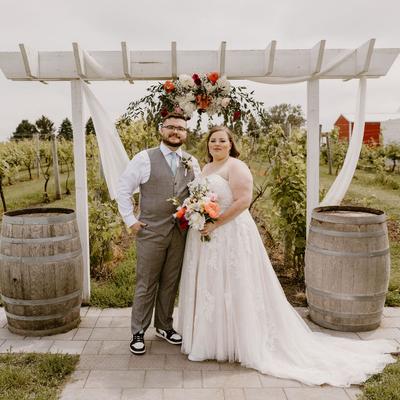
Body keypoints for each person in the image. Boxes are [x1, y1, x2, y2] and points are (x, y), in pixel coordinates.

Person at [178, 125, 398, 386]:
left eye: (222, 140)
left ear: (230, 144)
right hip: (209, 237)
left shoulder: (236, 166)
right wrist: (198, 215)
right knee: (214, 287)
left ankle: (242, 340)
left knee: (236, 286)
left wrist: (216, 222)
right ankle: (213, 338)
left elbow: (243, 201)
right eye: (213, 140)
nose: (217, 144)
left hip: (231, 233)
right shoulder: (206, 168)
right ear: (208, 145)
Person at [117, 113, 200, 355]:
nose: (176, 132)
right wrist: (131, 221)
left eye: (181, 129)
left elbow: (199, 192)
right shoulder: (144, 158)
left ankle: (164, 326)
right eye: (171, 127)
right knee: (147, 282)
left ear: (186, 133)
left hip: (180, 232)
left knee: (170, 282)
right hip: (151, 231)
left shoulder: (191, 161)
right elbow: (123, 189)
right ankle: (138, 331)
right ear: (161, 129)